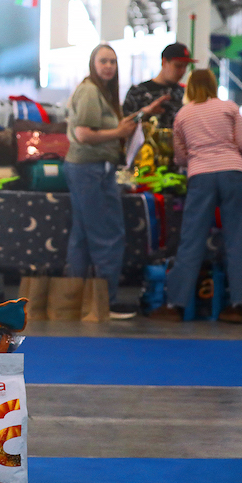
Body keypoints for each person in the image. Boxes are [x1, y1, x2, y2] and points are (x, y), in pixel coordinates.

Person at [64, 44, 164, 320]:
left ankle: (75, 301)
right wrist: (118, 133)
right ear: (93, 63)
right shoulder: (90, 91)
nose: (109, 66)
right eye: (103, 61)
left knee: (82, 236)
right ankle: (106, 302)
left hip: (87, 169)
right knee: (108, 235)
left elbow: (110, 127)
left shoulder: (100, 92)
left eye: (113, 61)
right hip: (91, 169)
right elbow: (83, 134)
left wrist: (144, 112)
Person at [149, 69, 242, 323]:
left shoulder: (183, 114)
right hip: (233, 173)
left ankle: (175, 306)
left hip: (201, 176)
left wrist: (196, 158)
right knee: (238, 240)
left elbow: (180, 156)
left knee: (191, 240)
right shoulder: (230, 108)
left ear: (191, 87)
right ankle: (238, 306)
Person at [122, 42, 194, 129]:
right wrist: (145, 112)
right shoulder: (138, 92)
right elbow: (124, 125)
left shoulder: (184, 93)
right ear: (164, 62)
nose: (182, 71)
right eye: (178, 66)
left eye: (185, 66)